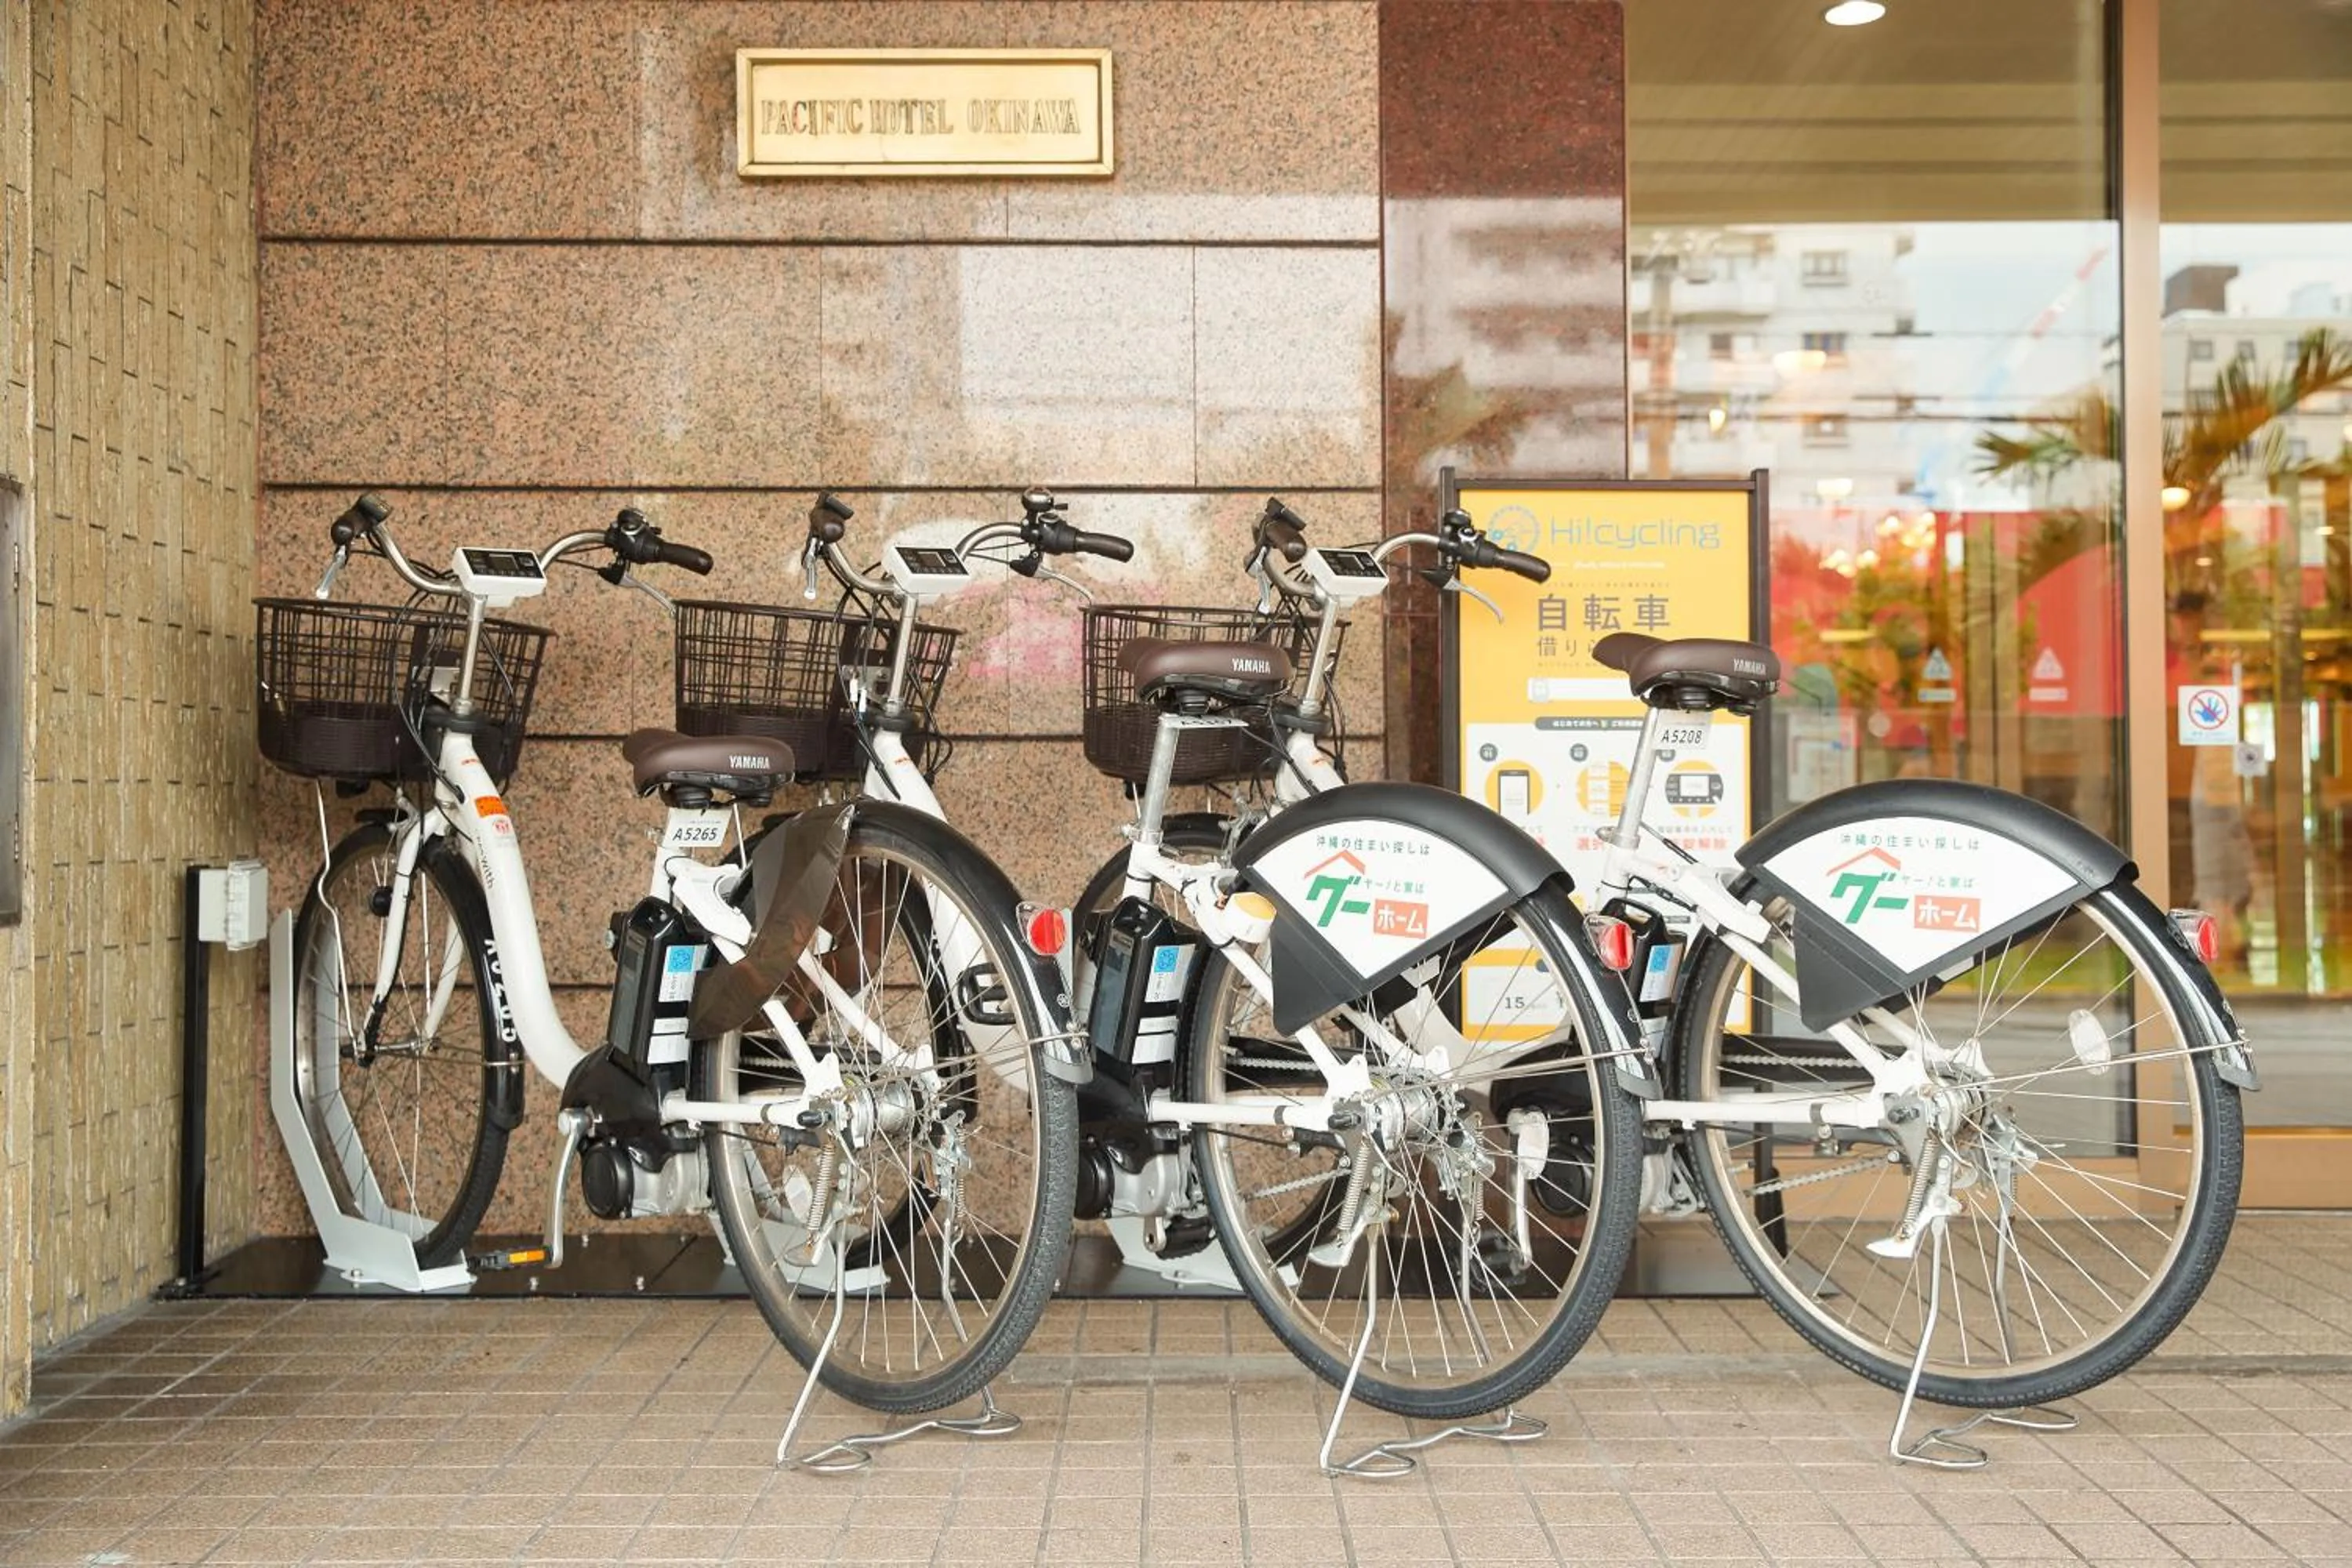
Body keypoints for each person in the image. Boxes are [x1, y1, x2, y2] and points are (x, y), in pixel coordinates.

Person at [2167, 590, 2253, 966]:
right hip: (2181, 785)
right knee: (2204, 861)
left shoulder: (2214, 671)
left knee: (2220, 856)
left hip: (2209, 786)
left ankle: (2223, 946)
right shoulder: (2169, 666)